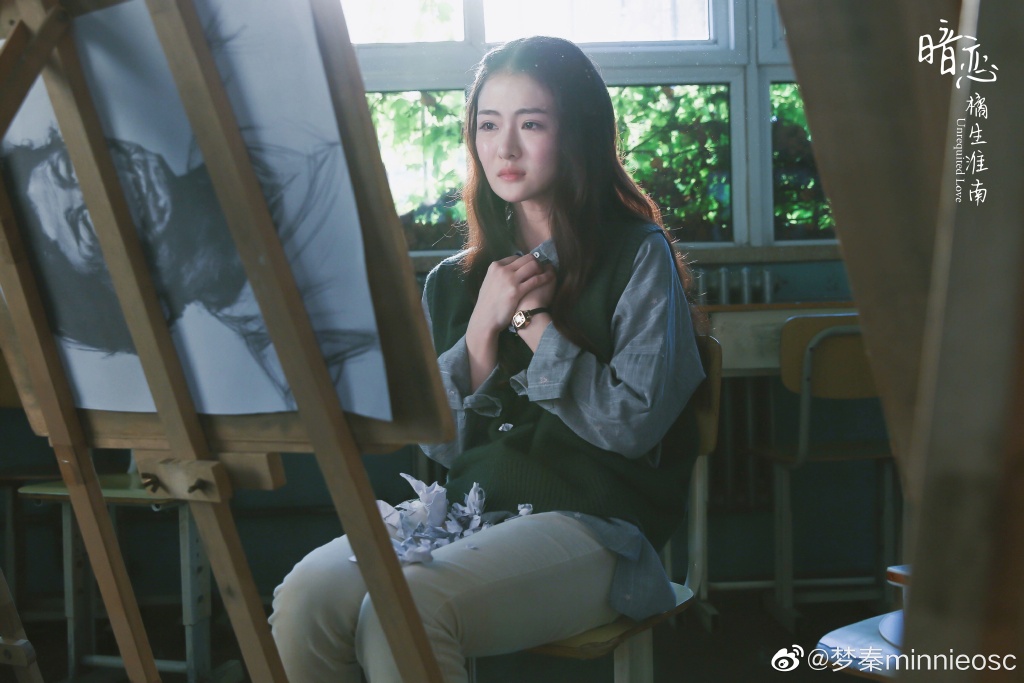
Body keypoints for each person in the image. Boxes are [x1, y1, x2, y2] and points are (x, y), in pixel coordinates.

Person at [268, 35, 705, 682]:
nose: (505, 149)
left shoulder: (639, 255)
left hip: (598, 524)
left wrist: (529, 321)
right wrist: (480, 331)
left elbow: (631, 426)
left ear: (579, 132)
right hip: (470, 515)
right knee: (303, 599)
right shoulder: (453, 280)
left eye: (532, 124)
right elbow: (443, 447)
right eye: (488, 125)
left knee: (404, 611)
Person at [0, 132, 379, 411]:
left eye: (71, 169)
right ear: (114, 291)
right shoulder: (314, 365)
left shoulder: (238, 104)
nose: (102, 190)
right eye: (86, 223)